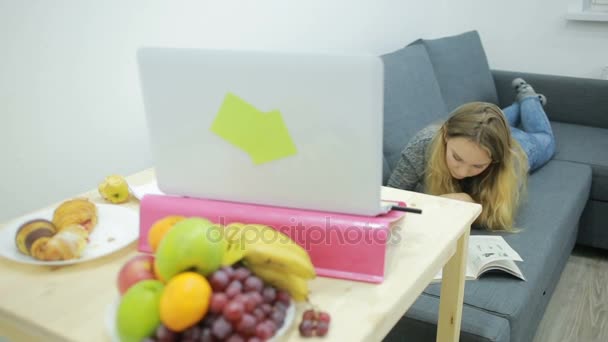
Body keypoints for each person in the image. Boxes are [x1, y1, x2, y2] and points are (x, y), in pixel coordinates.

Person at [387, 78, 556, 231]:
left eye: (478, 165)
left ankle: (528, 97)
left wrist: (470, 203)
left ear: (495, 161)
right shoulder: (423, 144)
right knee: (491, 122)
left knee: (546, 138)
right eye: (457, 157)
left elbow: (498, 218)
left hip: (520, 143)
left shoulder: (511, 162)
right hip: (485, 135)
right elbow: (389, 198)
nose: (461, 172)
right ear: (446, 134)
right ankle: (518, 106)